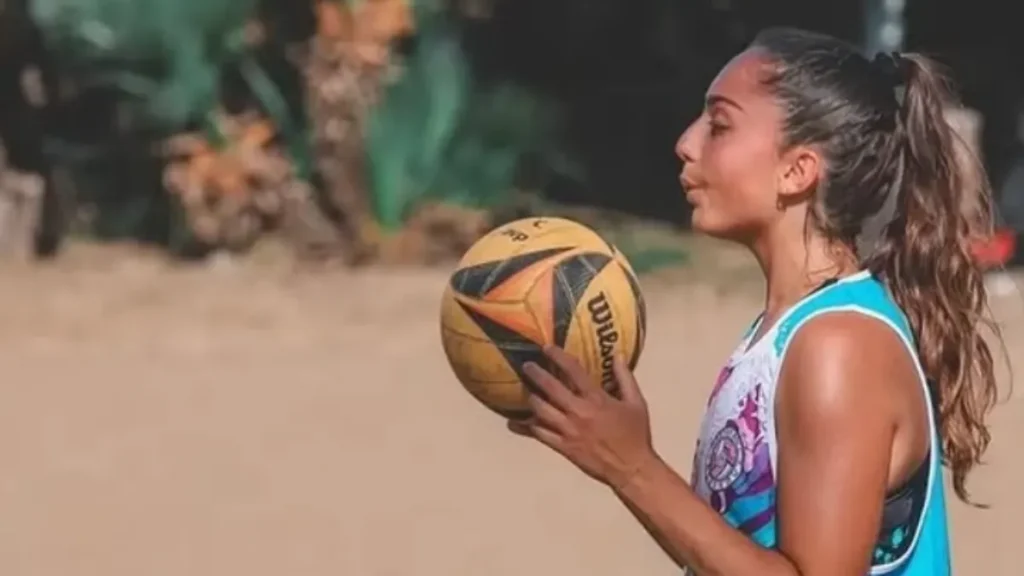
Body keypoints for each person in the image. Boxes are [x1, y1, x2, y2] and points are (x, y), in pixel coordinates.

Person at [509, 27, 1001, 575]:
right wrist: (621, 459)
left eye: (719, 125)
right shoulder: (782, 333)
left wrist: (633, 468)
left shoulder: (839, 346)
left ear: (797, 171)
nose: (686, 143)